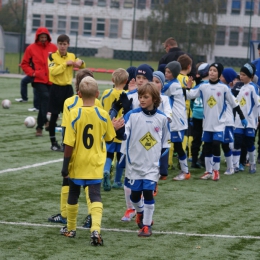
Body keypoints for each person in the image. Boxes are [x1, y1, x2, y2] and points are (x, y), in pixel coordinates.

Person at [60, 76, 116, 245]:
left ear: (79, 94)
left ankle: (71, 229)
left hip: (78, 162)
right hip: (95, 163)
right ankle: (95, 230)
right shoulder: (103, 114)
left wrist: (65, 166)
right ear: (97, 94)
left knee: (73, 194)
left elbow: (69, 143)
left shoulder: (74, 114)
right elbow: (110, 138)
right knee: (95, 195)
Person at [47, 69, 102, 229]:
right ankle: (91, 217)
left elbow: (65, 130)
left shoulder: (70, 102)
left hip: (74, 152)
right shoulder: (96, 102)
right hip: (93, 154)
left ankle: (66, 217)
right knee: (91, 187)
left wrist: (66, 155)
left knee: (69, 182)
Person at [120, 82, 170, 237]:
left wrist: (162, 167)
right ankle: (139, 212)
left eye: (145, 97)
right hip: (134, 165)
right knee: (135, 196)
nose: (141, 100)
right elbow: (123, 135)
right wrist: (117, 130)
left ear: (154, 99)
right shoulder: (132, 115)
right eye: (140, 97)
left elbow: (165, 144)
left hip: (151, 166)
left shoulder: (162, 119)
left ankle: (147, 226)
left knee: (148, 193)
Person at [186, 63, 247, 181]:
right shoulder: (203, 86)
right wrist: (188, 87)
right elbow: (190, 95)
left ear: (219, 73)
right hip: (207, 124)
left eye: (214, 70)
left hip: (220, 124)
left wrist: (242, 117)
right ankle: (208, 171)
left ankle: (216, 170)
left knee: (216, 145)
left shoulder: (224, 88)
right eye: (210, 70)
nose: (212, 72)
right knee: (207, 147)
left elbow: (234, 103)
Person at [48, 34, 85, 151]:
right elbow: (53, 72)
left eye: (64, 44)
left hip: (68, 89)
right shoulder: (52, 56)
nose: (62, 46)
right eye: (60, 44)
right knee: (54, 115)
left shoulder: (72, 55)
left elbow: (81, 66)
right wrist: (65, 64)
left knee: (69, 116)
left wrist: (81, 62)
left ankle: (66, 142)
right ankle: (53, 142)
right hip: (55, 88)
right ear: (57, 44)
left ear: (68, 45)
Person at [20, 27, 57, 137]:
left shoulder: (53, 47)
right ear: (37, 37)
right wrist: (33, 73)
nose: (43, 39)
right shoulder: (31, 48)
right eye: (41, 37)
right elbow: (24, 64)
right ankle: (44, 124)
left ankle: (42, 124)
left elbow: (58, 61)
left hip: (51, 80)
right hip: (38, 80)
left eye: (45, 37)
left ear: (48, 37)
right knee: (45, 98)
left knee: (45, 104)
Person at [100, 68, 129, 191]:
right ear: (126, 81)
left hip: (109, 129)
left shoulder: (106, 92)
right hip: (122, 129)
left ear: (112, 80)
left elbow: (101, 109)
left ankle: (106, 171)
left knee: (109, 154)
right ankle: (117, 181)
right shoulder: (127, 94)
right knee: (120, 156)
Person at [161, 61, 190, 181]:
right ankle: (162, 171)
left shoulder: (171, 85)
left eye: (168, 72)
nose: (166, 73)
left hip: (177, 121)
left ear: (174, 73)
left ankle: (185, 172)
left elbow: (156, 91)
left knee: (177, 146)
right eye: (165, 71)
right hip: (175, 120)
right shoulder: (173, 83)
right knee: (165, 144)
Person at [232, 63, 259, 174]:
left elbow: (258, 103)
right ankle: (236, 165)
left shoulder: (254, 88)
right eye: (240, 74)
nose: (241, 76)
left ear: (250, 76)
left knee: (249, 143)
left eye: (243, 74)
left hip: (250, 121)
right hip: (239, 121)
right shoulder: (242, 88)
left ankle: (252, 164)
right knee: (237, 142)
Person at [153, 71, 172, 180]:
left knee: (163, 148)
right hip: (150, 129)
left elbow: (168, 112)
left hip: (162, 130)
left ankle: (163, 171)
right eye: (152, 81)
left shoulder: (164, 98)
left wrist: (167, 118)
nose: (154, 84)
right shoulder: (147, 97)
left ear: (162, 85)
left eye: (157, 82)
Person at [219, 68, 238, 175]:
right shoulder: (222, 88)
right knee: (218, 144)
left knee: (226, 145)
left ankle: (231, 167)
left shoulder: (226, 90)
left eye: (222, 76)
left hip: (227, 122)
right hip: (220, 122)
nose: (220, 78)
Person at [190, 62, 210, 168]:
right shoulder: (210, 86)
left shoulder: (197, 86)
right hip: (207, 116)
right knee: (208, 139)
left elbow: (192, 101)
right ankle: (202, 159)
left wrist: (195, 111)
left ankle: (194, 161)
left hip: (196, 115)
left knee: (196, 138)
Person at [177, 54, 195, 162]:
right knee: (188, 134)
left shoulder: (175, 78)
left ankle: (170, 161)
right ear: (189, 66)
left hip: (177, 110)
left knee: (175, 135)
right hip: (188, 111)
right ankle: (189, 156)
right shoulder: (191, 80)